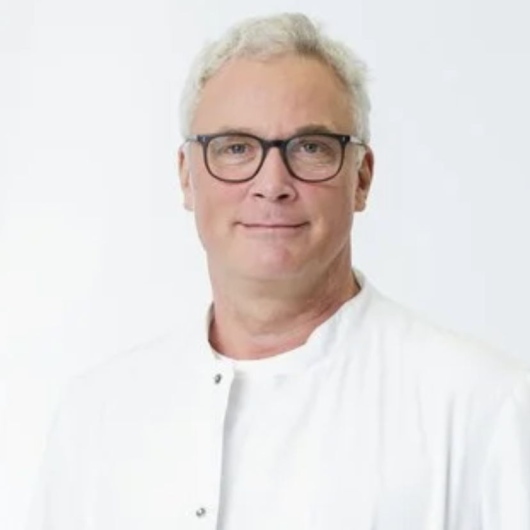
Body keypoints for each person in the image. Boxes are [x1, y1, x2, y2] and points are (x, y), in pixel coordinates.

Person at [27, 12, 530, 530]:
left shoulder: (485, 407)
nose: (272, 184)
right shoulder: (96, 416)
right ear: (186, 178)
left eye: (310, 148)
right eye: (236, 148)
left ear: (361, 178)